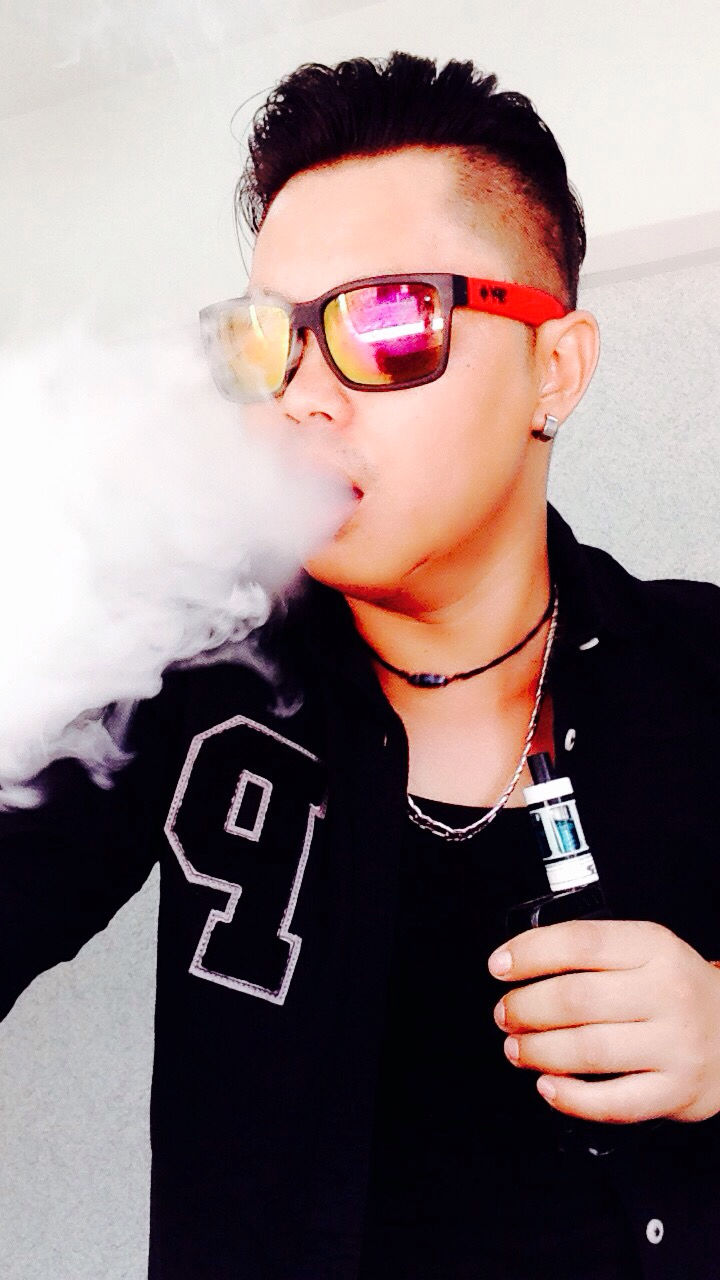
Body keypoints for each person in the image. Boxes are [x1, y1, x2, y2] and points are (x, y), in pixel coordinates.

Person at [2, 50, 720, 1280]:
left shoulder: (701, 670)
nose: (304, 398)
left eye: (389, 321)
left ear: (555, 367)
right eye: (267, 340)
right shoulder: (180, 678)